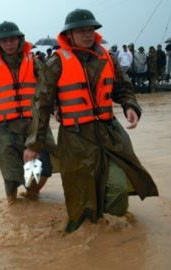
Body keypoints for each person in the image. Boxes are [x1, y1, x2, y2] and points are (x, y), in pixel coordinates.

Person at [23, 9, 158, 233]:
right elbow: (41, 106)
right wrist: (34, 145)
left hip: (109, 133)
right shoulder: (55, 64)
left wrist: (130, 106)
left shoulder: (108, 58)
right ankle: (88, 237)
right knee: (81, 197)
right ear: (69, 35)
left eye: (90, 30)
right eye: (81, 31)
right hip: (75, 138)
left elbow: (123, 88)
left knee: (117, 188)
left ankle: (109, 230)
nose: (87, 34)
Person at [0, 21, 54, 205]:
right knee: (11, 174)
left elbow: (49, 89)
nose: (9, 44)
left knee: (42, 168)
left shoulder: (33, 62)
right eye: (5, 41)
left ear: (20, 40)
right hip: (6, 128)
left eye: (13, 40)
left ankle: (32, 195)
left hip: (34, 125)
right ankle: (12, 206)